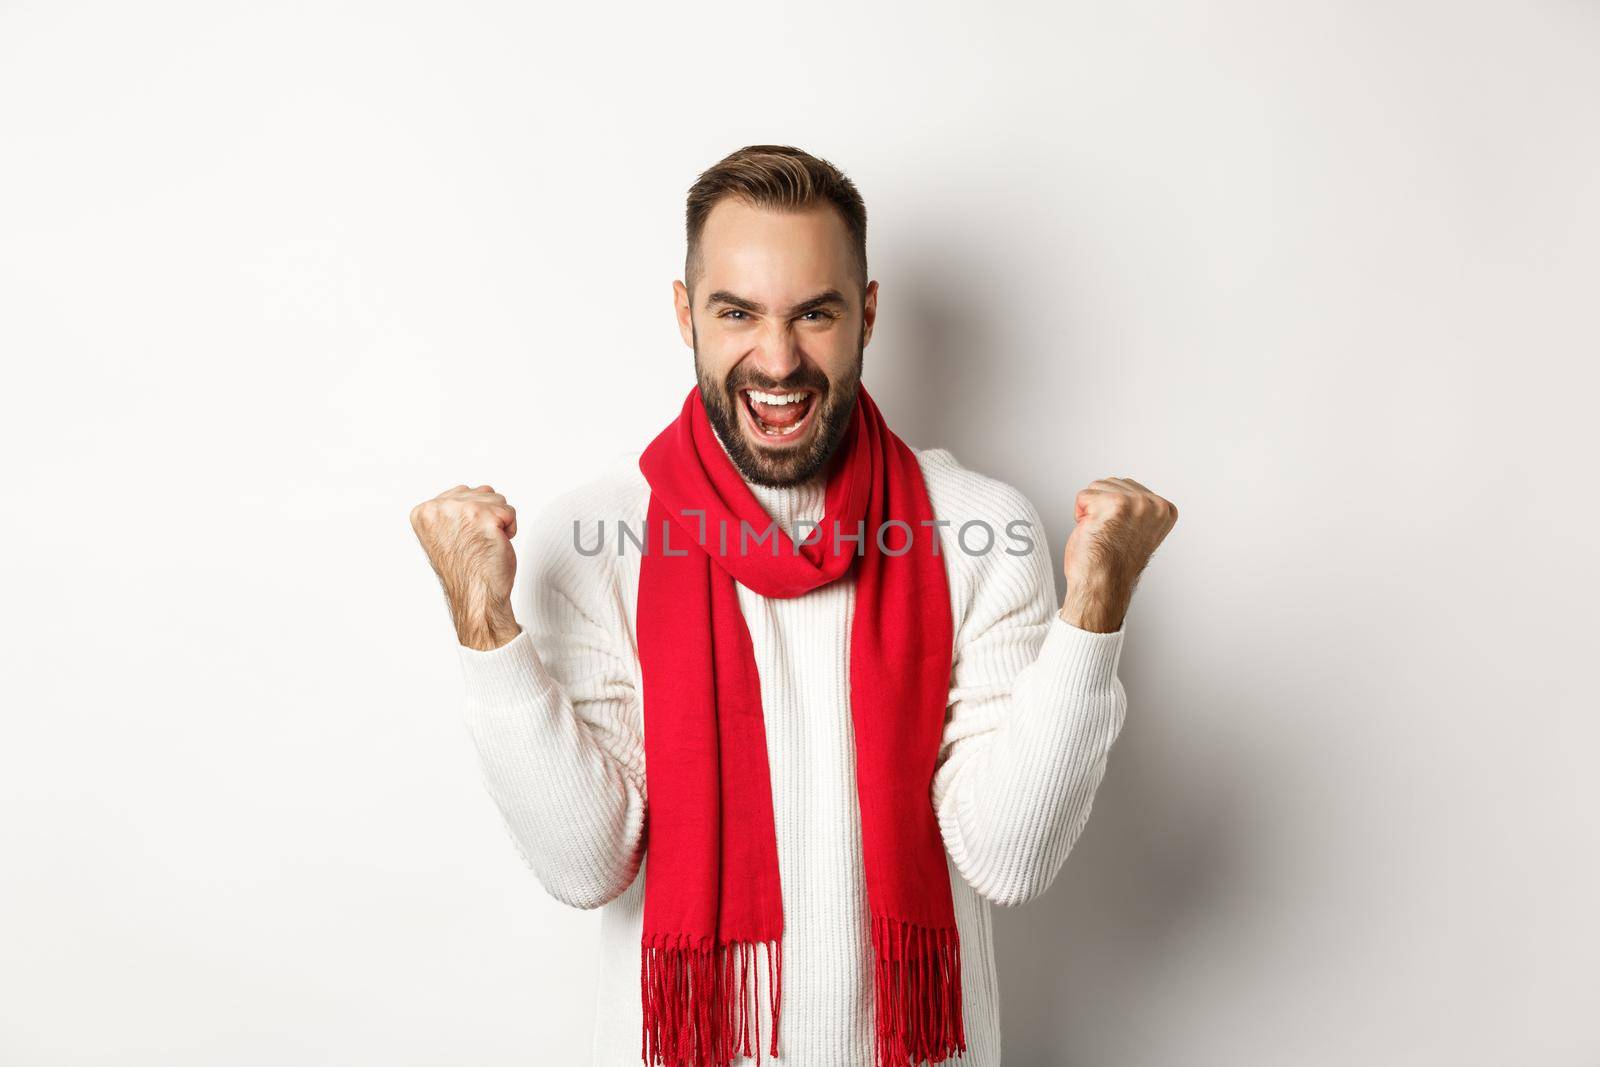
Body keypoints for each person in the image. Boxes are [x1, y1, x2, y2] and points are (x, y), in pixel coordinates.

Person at [409, 145, 1177, 1067]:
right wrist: (483, 627)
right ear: (686, 314)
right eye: (739, 313)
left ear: (869, 315)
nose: (777, 360)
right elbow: (584, 863)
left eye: (815, 313)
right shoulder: (596, 534)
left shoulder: (981, 529)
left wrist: (1096, 609)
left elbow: (1007, 855)